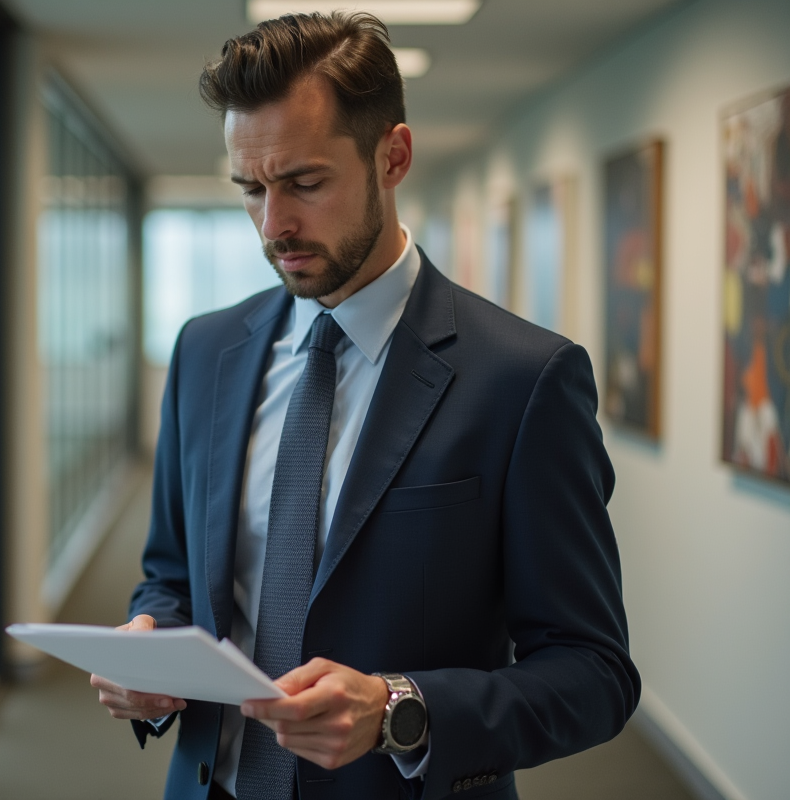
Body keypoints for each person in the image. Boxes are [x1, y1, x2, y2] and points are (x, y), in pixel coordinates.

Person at [91, 12, 640, 800]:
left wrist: (399, 710)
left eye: (305, 183)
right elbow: (170, 575)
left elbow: (595, 674)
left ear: (394, 156)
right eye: (251, 188)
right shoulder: (205, 352)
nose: (274, 224)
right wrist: (148, 647)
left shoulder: (524, 380)